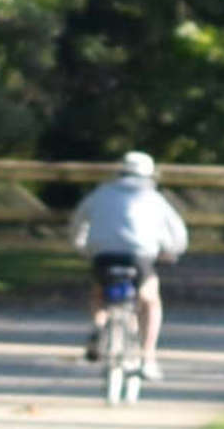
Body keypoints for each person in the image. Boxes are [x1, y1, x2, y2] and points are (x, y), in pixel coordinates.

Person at [70, 150, 189, 380]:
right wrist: (170, 251)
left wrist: (83, 248)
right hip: (139, 257)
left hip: (103, 256)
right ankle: (148, 357)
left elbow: (77, 224)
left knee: (99, 291)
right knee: (150, 300)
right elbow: (177, 235)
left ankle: (98, 328)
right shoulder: (152, 198)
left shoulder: (100, 194)